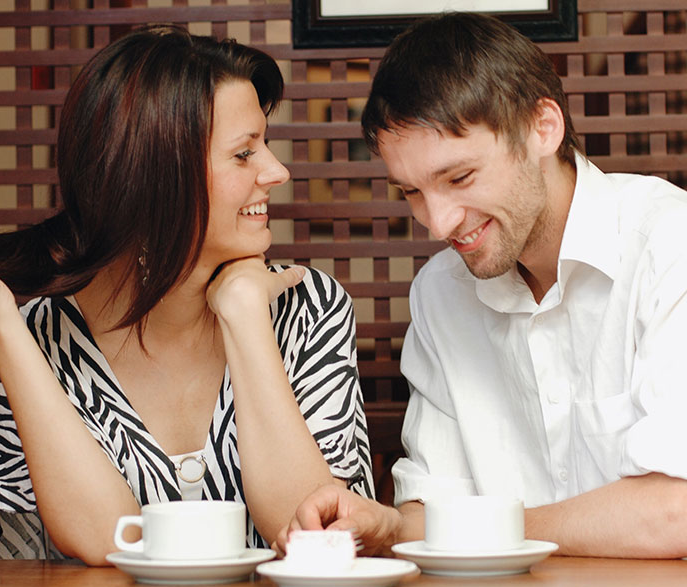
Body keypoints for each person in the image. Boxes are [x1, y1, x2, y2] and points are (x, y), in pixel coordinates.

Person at [0, 25, 374, 564]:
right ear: (154, 176)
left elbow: (315, 533)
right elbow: (104, 543)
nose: (276, 171)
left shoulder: (309, 308)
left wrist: (244, 314)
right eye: (244, 154)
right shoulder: (33, 341)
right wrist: (2, 323)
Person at [275, 11, 687, 559]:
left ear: (543, 128)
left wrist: (477, 528)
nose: (439, 223)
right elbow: (426, 507)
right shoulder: (440, 292)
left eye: (459, 177)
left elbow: (673, 513)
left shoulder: (668, 245)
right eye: (412, 192)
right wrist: (390, 526)